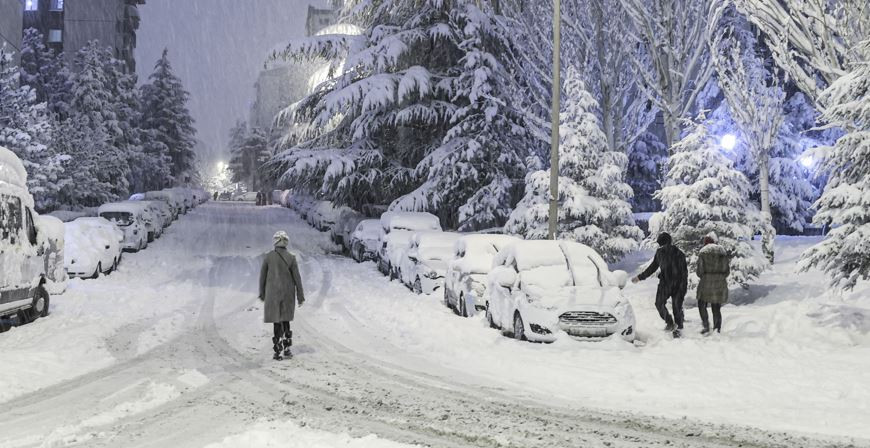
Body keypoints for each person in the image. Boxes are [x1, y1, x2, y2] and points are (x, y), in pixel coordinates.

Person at [259, 231, 305, 360]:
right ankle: (287, 348)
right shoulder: (291, 258)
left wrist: (262, 293)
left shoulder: (268, 258)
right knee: (286, 320)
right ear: (286, 243)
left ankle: (277, 349)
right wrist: (300, 296)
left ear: (275, 242)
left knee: (276, 321)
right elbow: (297, 279)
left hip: (273, 294)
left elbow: (262, 277)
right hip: (287, 294)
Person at [632, 232, 688, 338]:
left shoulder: (664, 253)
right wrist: (683, 287)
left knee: (660, 304)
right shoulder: (678, 253)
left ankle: (671, 323)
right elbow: (684, 273)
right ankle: (676, 327)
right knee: (676, 307)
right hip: (676, 284)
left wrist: (639, 277)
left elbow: (652, 268)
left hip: (668, 284)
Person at [696, 233, 730, 335]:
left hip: (706, 283)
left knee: (701, 304)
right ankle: (717, 329)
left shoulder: (703, 253)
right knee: (716, 307)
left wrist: (706, 275)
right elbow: (727, 271)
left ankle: (706, 326)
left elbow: (699, 272)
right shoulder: (722, 254)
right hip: (719, 284)